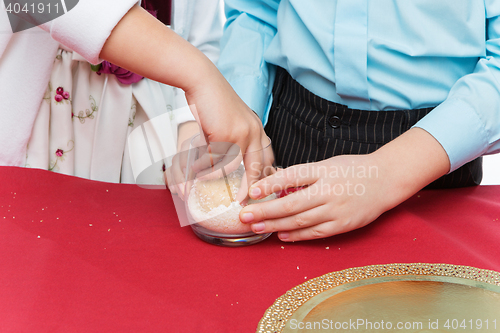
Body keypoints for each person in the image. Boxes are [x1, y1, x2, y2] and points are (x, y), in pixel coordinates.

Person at [213, 1, 500, 242]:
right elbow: (255, 11)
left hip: (434, 161)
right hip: (289, 134)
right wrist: (238, 115)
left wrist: (386, 172)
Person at [0, 1, 269, 185]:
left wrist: (190, 121)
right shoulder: (195, 73)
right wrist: (201, 77)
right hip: (47, 113)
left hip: (157, 118)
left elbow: (201, 31)